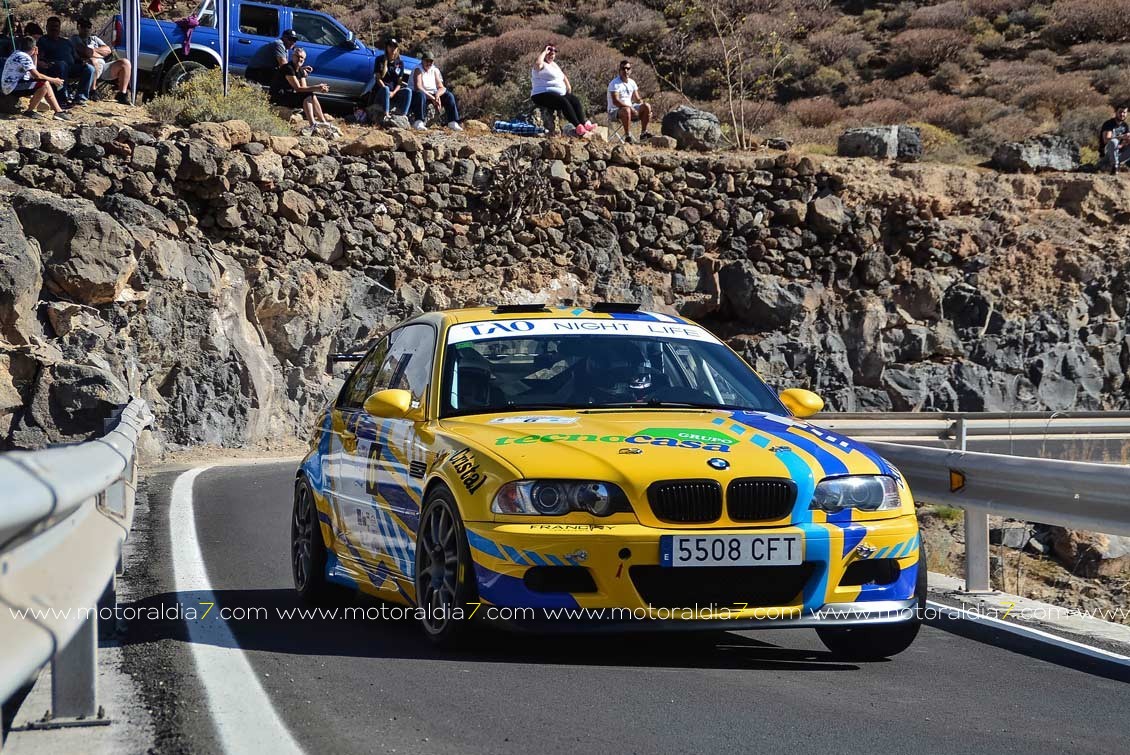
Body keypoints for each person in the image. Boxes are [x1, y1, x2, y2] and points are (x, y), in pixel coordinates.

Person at [530, 43, 594, 137]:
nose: (552, 54)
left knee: (574, 100)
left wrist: (568, 86)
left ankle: (583, 123)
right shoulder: (540, 64)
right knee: (563, 102)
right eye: (549, 52)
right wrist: (544, 51)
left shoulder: (554, 65)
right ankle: (578, 127)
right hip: (541, 94)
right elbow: (538, 64)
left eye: (554, 52)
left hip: (557, 93)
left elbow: (562, 75)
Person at [2, 36, 71, 121]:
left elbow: (32, 73)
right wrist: (54, 80)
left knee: (45, 84)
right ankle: (29, 111)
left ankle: (58, 111)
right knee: (44, 84)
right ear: (34, 47)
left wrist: (35, 55)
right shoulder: (23, 57)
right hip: (11, 87)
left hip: (14, 84)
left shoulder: (18, 53)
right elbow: (37, 76)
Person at [270, 47, 335, 135]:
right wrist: (317, 87)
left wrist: (316, 86)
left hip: (288, 95)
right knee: (308, 94)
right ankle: (312, 124)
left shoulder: (300, 70)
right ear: (293, 56)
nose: (299, 59)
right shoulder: (288, 68)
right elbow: (298, 88)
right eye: (298, 56)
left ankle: (323, 122)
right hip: (279, 97)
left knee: (311, 95)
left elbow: (304, 88)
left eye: (302, 58)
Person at [71, 17, 132, 104]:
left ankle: (122, 94)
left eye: (88, 26)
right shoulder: (75, 38)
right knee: (93, 61)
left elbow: (108, 50)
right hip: (87, 67)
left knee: (125, 63)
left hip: (103, 66)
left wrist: (93, 51)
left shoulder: (94, 39)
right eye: (83, 26)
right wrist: (98, 52)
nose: (86, 29)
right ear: (78, 27)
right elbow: (86, 52)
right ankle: (92, 91)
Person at [36, 16, 94, 105]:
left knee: (89, 68)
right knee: (62, 65)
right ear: (47, 27)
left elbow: (75, 57)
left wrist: (82, 62)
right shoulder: (43, 41)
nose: (54, 28)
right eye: (52, 26)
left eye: (56, 26)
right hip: (53, 68)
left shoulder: (66, 42)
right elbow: (39, 57)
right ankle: (62, 98)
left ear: (59, 28)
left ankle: (80, 98)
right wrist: (42, 63)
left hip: (70, 68)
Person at [410, 51, 461, 131]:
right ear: (422, 60)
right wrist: (432, 98)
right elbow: (418, 87)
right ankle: (419, 121)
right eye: (427, 61)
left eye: (431, 61)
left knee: (449, 95)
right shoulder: (418, 69)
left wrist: (437, 96)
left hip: (432, 94)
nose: (429, 63)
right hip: (418, 93)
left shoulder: (434, 70)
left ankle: (452, 121)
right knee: (420, 95)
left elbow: (442, 87)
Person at [366, 37, 411, 121]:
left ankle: (403, 116)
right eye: (390, 46)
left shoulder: (400, 63)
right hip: (381, 91)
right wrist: (386, 90)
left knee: (408, 91)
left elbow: (399, 83)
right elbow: (378, 78)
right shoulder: (379, 60)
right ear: (387, 47)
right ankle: (386, 115)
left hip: (393, 92)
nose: (393, 49)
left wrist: (393, 93)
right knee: (386, 88)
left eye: (395, 47)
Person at [607, 59, 651, 143]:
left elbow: (637, 99)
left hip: (630, 109)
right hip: (614, 111)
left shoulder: (632, 82)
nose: (625, 71)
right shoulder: (614, 84)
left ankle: (643, 133)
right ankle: (628, 136)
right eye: (623, 69)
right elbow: (615, 101)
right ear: (619, 70)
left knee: (646, 106)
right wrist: (630, 108)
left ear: (631, 70)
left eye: (628, 68)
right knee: (626, 110)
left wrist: (646, 110)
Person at [1100, 104, 1130, 175]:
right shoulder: (1109, 124)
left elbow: (1126, 140)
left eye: (1124, 112)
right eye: (1120, 112)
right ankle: (1115, 166)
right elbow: (1106, 140)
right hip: (1108, 152)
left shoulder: (1125, 125)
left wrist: (1124, 143)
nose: (1122, 114)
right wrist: (1122, 136)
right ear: (1115, 112)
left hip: (1119, 153)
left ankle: (1118, 164)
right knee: (1114, 141)